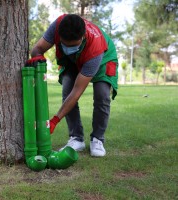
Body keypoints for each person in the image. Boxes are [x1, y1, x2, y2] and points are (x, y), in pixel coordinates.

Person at [27, 14, 118, 157]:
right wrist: (38, 58)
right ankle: (76, 138)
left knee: (102, 95)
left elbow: (77, 92)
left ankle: (97, 139)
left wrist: (55, 120)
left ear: (82, 37)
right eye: (65, 45)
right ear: (59, 35)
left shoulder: (95, 48)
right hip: (72, 60)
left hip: (103, 57)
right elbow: (37, 49)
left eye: (73, 45)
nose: (68, 47)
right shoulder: (57, 26)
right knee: (66, 89)